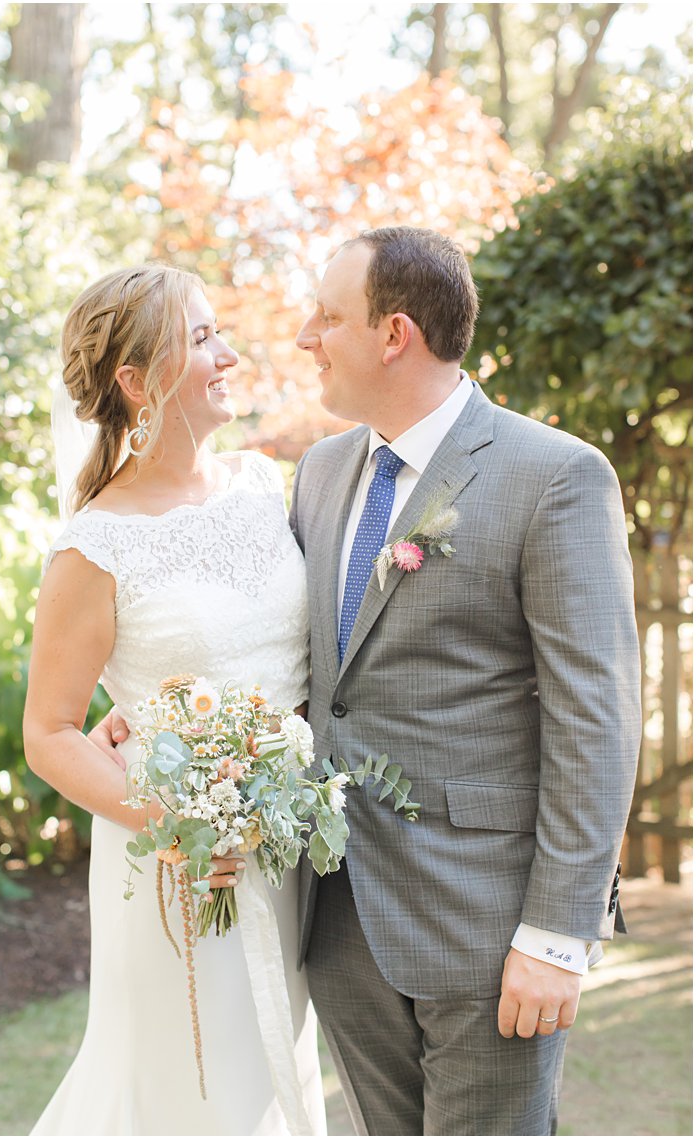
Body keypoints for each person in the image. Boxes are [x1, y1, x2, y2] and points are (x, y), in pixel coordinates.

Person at [286, 227, 640, 1135]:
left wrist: (559, 934)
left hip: (488, 928)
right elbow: (305, 668)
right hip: (339, 920)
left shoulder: (553, 474)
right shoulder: (321, 474)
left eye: (327, 318)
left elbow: (594, 716)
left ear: (393, 333)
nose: (303, 336)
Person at [24, 265, 325, 1135]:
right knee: (193, 1088)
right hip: (181, 863)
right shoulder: (94, 546)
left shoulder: (263, 487)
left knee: (279, 1077)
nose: (228, 353)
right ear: (137, 379)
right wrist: (176, 820)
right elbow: (48, 731)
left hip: (288, 847)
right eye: (201, 339)